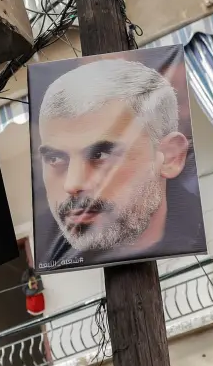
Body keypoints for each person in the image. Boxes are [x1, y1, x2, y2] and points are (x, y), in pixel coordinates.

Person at [35, 58, 204, 268]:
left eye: (100, 155)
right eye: (55, 159)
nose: (72, 184)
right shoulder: (51, 251)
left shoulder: (195, 232)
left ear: (170, 157)